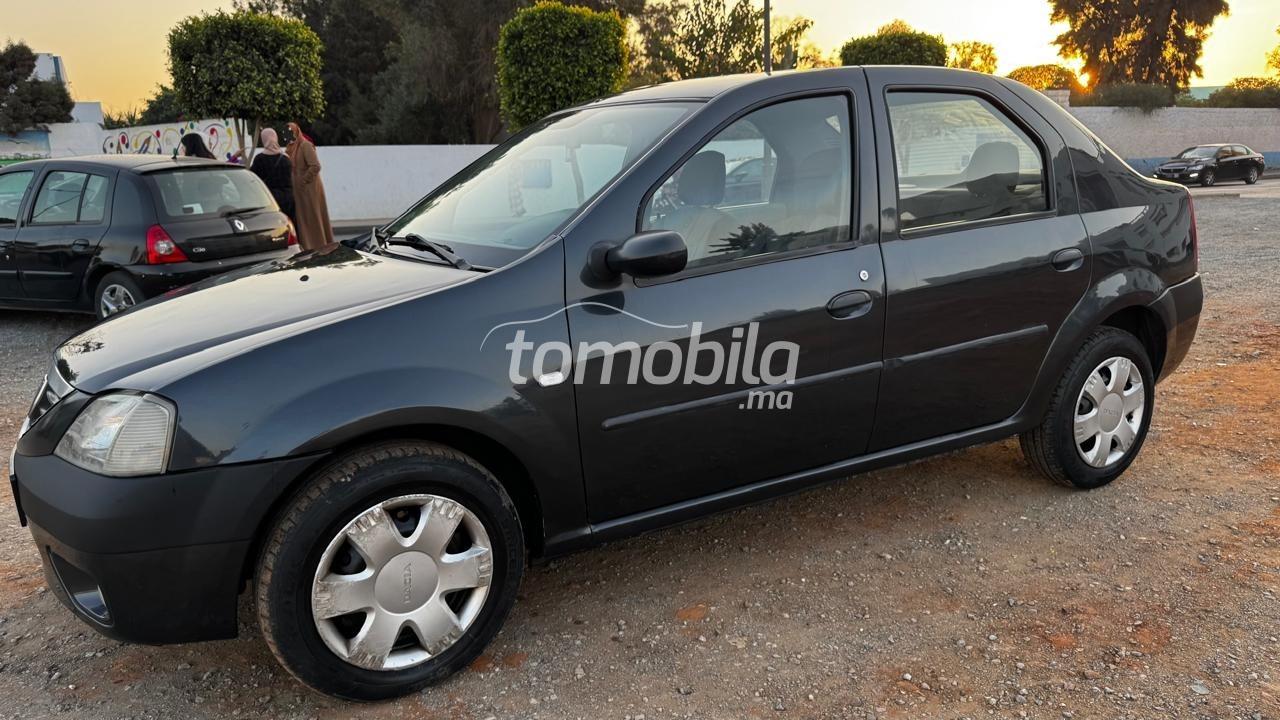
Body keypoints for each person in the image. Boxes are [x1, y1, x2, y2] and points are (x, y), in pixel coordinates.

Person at [285, 122, 334, 249]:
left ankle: (319, 247)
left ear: (297, 132)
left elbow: (315, 166)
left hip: (309, 190)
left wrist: (303, 181)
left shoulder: (305, 145)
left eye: (291, 131)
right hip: (299, 191)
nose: (288, 135)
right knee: (303, 220)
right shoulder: (291, 148)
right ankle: (307, 247)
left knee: (312, 219)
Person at [250, 128, 294, 220]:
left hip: (269, 199)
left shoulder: (259, 159)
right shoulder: (286, 158)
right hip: (288, 198)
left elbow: (253, 178)